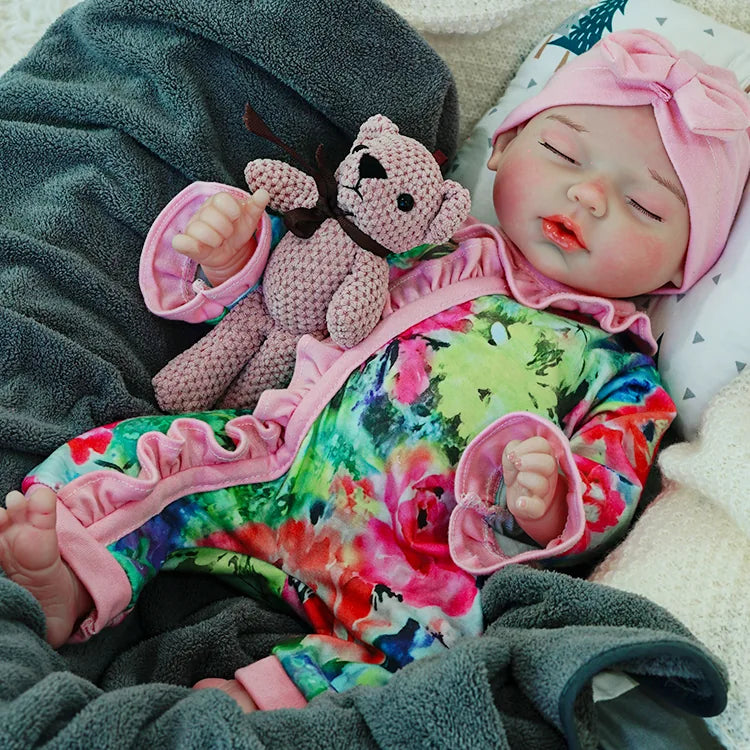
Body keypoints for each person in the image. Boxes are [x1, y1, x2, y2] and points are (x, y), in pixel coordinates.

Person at [1, 29, 749, 713]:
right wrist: (234, 256)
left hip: (411, 558)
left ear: (687, 268)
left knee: (439, 651)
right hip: (275, 462)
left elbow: (609, 483)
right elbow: (302, 292)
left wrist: (548, 504)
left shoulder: (621, 371)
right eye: (563, 153)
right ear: (503, 149)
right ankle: (71, 567)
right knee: (149, 458)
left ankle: (259, 702)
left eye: (644, 206)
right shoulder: (428, 241)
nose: (587, 195)